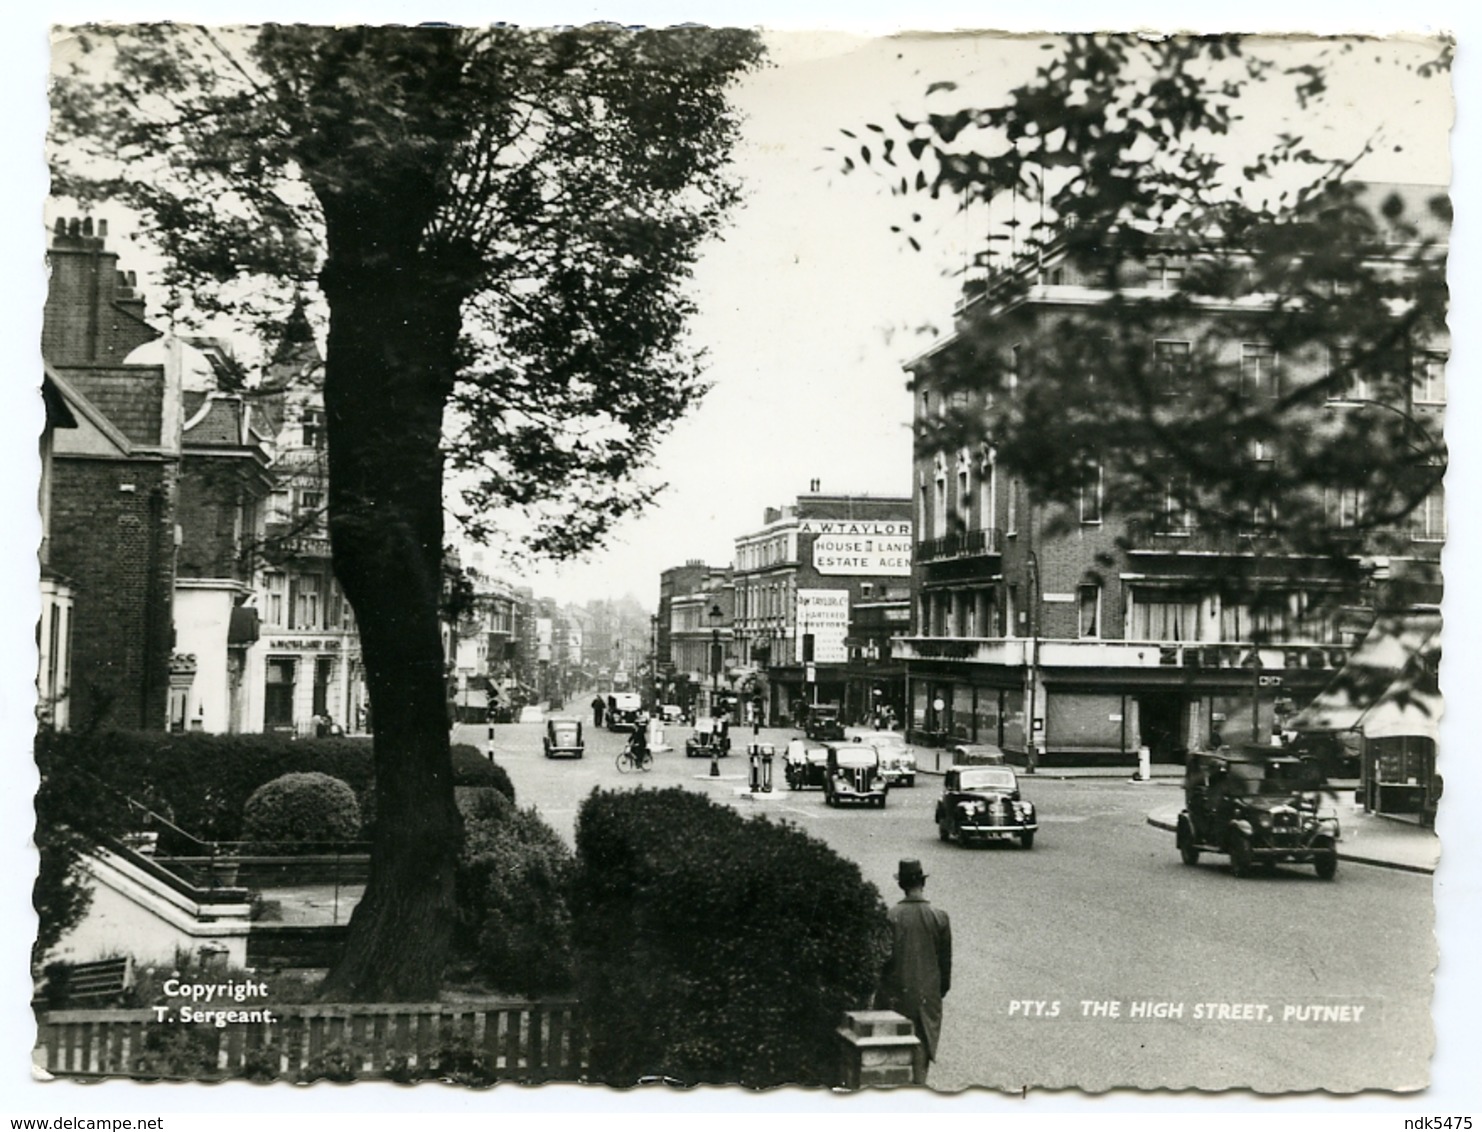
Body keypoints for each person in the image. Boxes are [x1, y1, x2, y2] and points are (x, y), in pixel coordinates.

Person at [876, 858, 951, 1086]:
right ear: (922, 882)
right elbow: (945, 966)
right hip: (928, 997)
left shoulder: (891, 916)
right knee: (921, 1050)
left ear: (902, 885)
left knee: (893, 1056)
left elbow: (882, 958)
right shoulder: (939, 917)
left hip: (896, 996)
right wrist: (937, 991)